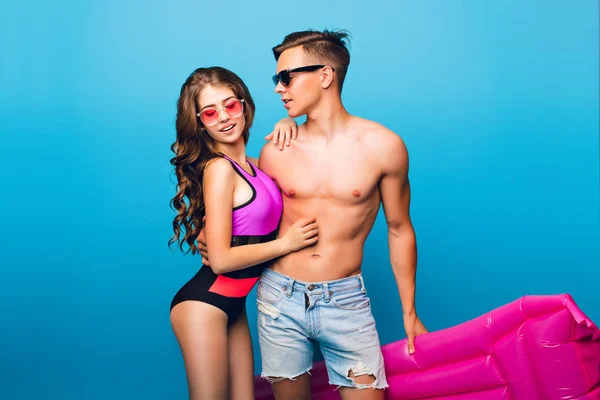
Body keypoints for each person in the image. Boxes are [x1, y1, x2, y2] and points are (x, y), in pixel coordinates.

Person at [200, 29, 428, 400]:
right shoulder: (277, 149)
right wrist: (206, 231)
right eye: (277, 79)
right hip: (279, 298)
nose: (278, 88)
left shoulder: (384, 147)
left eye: (286, 77)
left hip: (346, 301)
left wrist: (409, 311)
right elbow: (242, 194)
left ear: (325, 75)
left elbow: (400, 228)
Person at [168, 66, 318, 400]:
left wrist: (288, 123)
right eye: (210, 112)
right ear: (200, 122)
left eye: (230, 105)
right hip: (202, 304)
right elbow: (221, 261)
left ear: (244, 104)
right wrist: (286, 244)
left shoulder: (254, 164)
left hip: (234, 304)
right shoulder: (219, 169)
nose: (223, 117)